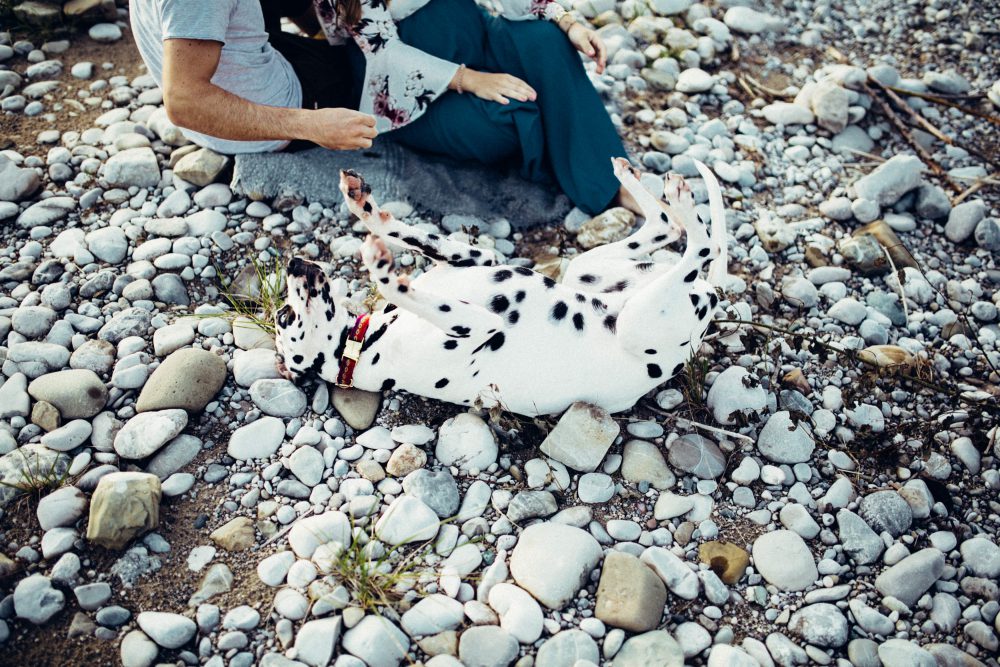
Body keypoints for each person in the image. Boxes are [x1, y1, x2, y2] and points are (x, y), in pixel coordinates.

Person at [315, 0, 634, 215]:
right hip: (408, 87)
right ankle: (564, 148)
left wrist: (567, 23)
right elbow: (384, 52)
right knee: (510, 116)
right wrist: (470, 79)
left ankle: (613, 183)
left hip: (471, 36)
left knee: (544, 39)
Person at [129, 0, 377, 154]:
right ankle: (337, 41)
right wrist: (312, 125)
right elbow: (185, 103)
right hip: (253, 122)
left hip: (235, 70)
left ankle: (327, 31)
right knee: (360, 66)